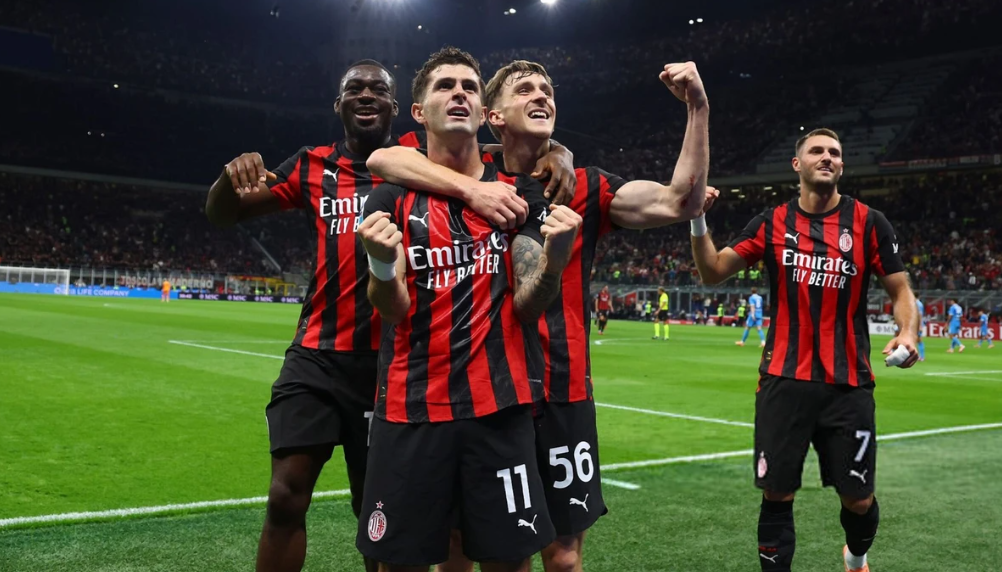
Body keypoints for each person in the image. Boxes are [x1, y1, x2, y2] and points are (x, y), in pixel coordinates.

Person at [368, 58, 709, 572]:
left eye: (547, 89)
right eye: (525, 89)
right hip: (486, 392)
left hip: (559, 386)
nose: (542, 96)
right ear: (494, 117)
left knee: (562, 557)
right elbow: (385, 160)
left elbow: (681, 201)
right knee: (463, 545)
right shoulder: (473, 175)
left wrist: (698, 108)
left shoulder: (584, 186)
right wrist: (478, 186)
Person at [204, 59, 535, 572]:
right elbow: (223, 213)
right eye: (354, 89)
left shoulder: (416, 158)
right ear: (337, 104)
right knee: (285, 494)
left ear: (400, 108)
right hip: (317, 354)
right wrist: (230, 179)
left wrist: (558, 153)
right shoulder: (312, 166)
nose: (365, 95)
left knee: (375, 513)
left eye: (378, 89)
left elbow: (493, 151)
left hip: (390, 365)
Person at [355, 46, 582, 572]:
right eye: (445, 86)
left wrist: (554, 263)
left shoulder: (520, 195)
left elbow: (528, 305)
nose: (459, 93)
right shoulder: (390, 198)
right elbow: (393, 308)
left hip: (499, 411)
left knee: (510, 561)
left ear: (484, 112)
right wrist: (383, 266)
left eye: (470, 87)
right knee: (399, 564)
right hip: (410, 408)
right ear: (418, 112)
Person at [689, 127, 919, 572]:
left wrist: (908, 332)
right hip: (783, 380)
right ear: (797, 164)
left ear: (842, 165)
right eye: (817, 150)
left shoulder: (870, 222)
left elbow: (901, 290)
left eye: (835, 151)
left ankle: (855, 557)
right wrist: (697, 219)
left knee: (858, 499)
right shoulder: (771, 222)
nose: (827, 157)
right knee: (777, 494)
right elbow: (713, 271)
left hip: (848, 384)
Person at [915, 295, 926, 361]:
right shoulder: (916, 303)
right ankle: (919, 356)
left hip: (917, 325)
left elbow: (920, 315)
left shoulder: (918, 304)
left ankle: (922, 356)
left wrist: (920, 326)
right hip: (915, 324)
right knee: (916, 340)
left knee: (919, 340)